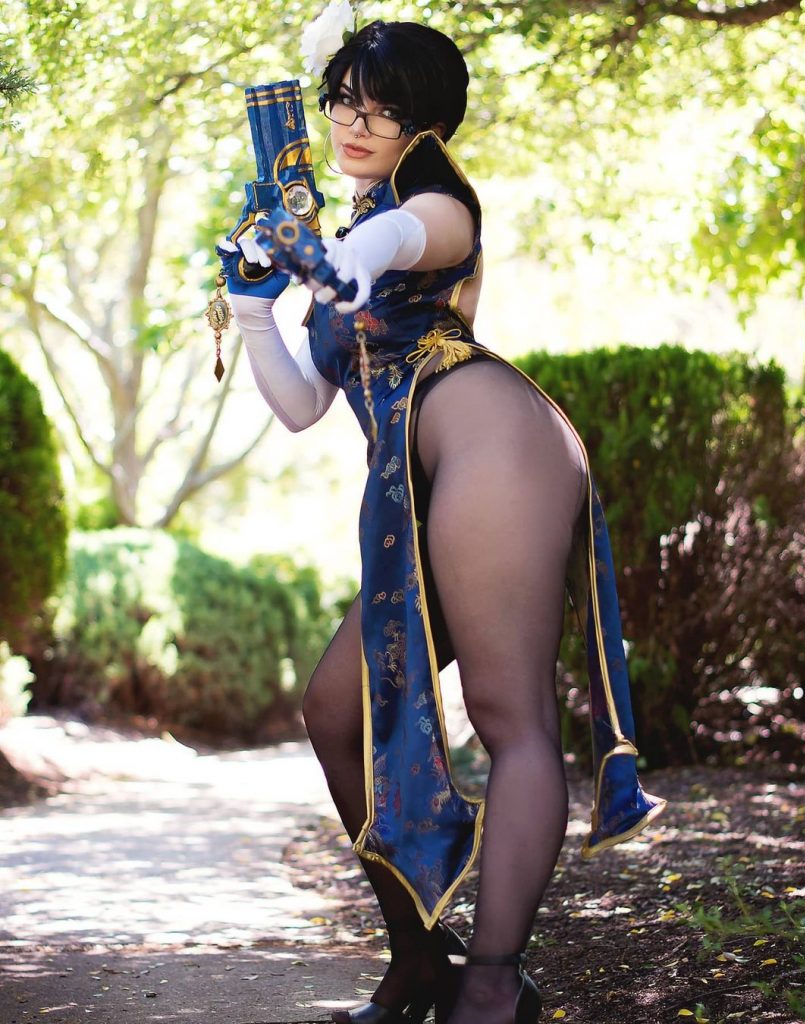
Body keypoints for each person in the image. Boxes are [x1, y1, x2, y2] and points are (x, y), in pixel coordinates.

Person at [220, 19, 665, 1024]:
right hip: (414, 485)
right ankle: (421, 959)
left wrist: (330, 256)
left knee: (511, 720)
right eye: (344, 101)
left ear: (424, 124)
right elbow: (301, 405)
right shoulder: (350, 224)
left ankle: (495, 984)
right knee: (333, 710)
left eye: (384, 109)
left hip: (493, 447)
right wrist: (253, 308)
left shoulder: (434, 206)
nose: (355, 123)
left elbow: (393, 245)